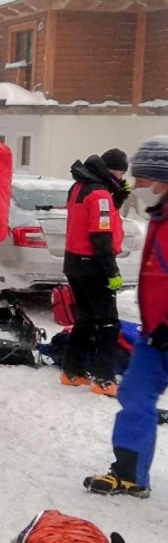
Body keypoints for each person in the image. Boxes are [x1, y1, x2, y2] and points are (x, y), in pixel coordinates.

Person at [84, 135, 168, 498]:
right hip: (155, 335)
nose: (139, 186)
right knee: (134, 397)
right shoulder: (161, 215)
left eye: (146, 178)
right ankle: (130, 473)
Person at [60, 149, 128, 397]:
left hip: (74, 262)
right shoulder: (100, 193)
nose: (122, 178)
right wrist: (111, 270)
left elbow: (91, 218)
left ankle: (72, 372)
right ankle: (103, 379)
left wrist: (116, 200)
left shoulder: (79, 185)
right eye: (121, 173)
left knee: (86, 318)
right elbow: (100, 234)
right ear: (113, 170)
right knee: (108, 322)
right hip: (93, 264)